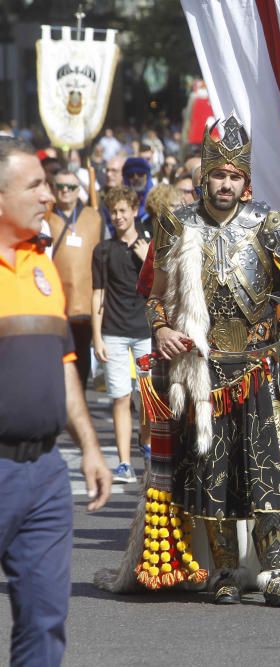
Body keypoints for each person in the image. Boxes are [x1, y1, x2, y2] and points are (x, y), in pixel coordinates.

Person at [146, 115, 280, 606]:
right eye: (219, 175)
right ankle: (223, 571)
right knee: (210, 469)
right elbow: (155, 297)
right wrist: (163, 329)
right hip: (202, 369)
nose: (226, 184)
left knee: (268, 469)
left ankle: (277, 571)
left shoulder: (272, 223)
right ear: (204, 176)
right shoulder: (177, 223)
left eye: (235, 176)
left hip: (258, 364)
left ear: (246, 181)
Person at [0, 137, 111, 665]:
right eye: (35, 185)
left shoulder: (42, 267)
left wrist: (89, 447)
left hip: (45, 473)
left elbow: (65, 367)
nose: (49, 195)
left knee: (45, 620)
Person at [92, 186, 152, 483]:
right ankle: (124, 463)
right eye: (113, 212)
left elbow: (162, 289)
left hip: (145, 332)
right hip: (113, 332)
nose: (117, 217)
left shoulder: (148, 245)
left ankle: (148, 447)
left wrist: (147, 260)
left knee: (148, 397)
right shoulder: (103, 250)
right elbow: (98, 295)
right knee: (121, 397)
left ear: (134, 210)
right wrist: (97, 337)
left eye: (122, 211)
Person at [45, 169, 104, 387]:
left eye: (70, 187)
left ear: (78, 190)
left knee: (80, 355)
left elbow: (102, 256)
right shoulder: (46, 217)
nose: (65, 192)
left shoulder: (93, 216)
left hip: (85, 302)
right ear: (53, 189)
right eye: (60, 187)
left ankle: (80, 402)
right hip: (55, 302)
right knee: (56, 356)